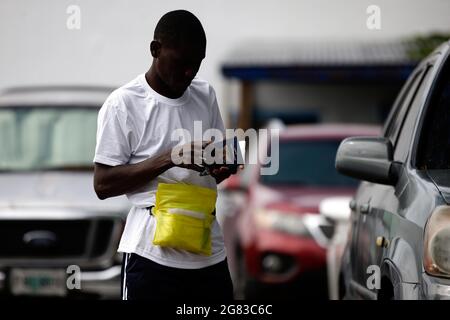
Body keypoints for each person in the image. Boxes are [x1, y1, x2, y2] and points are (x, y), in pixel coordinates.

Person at [93, 10, 234, 300]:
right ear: (155, 50)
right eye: (181, 63)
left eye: (196, 64)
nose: (188, 73)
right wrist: (169, 157)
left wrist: (223, 165)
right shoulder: (123, 104)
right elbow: (103, 185)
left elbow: (213, 163)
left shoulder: (205, 95)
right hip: (151, 255)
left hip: (207, 250)